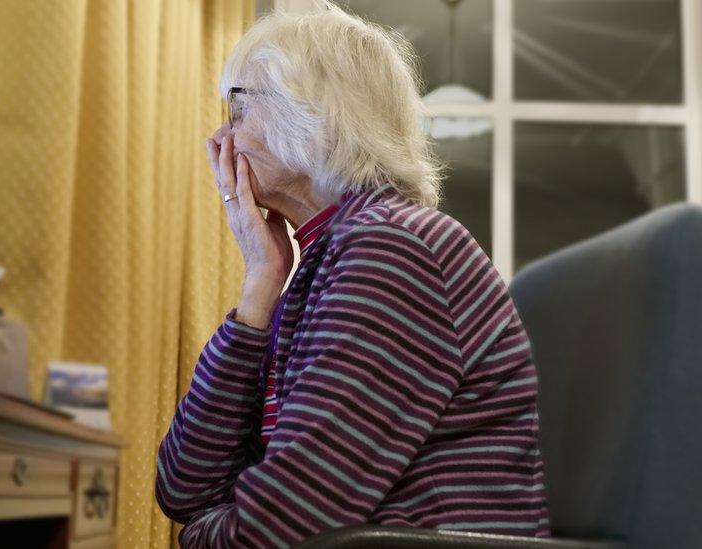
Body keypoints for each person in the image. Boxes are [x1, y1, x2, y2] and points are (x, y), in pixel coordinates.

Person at [155, 4, 549, 547]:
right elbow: (183, 487)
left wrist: (197, 536)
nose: (222, 138)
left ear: (312, 111)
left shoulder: (393, 248)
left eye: (239, 109)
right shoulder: (327, 259)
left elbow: (276, 528)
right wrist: (259, 283)